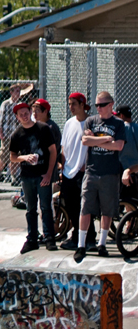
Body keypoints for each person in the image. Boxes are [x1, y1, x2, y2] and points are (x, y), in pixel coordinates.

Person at [74, 91, 127, 262]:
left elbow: (118, 146)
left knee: (107, 210)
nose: (99, 108)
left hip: (109, 172)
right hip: (92, 171)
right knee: (85, 208)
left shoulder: (118, 124)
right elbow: (85, 141)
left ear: (111, 105)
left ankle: (102, 243)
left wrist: (94, 138)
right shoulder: (91, 120)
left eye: (102, 105)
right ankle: (81, 245)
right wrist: (105, 140)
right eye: (97, 105)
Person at [10, 101, 58, 253]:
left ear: (30, 112)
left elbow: (53, 151)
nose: (24, 116)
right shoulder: (17, 134)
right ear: (17, 117)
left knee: (45, 206)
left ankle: (49, 237)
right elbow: (12, 157)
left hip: (42, 174)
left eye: (26, 113)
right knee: (30, 208)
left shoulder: (43, 129)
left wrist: (49, 173)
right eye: (21, 114)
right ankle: (32, 238)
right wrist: (24, 158)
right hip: (27, 176)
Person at [59, 93, 95, 251]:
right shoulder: (69, 123)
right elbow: (64, 146)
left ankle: (90, 238)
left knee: (85, 207)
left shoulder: (91, 123)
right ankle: (76, 236)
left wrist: (85, 165)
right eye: (69, 104)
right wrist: (63, 165)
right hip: (68, 172)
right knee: (71, 206)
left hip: (84, 172)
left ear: (82, 105)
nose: (71, 107)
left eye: (74, 104)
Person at [0, 84, 25, 183]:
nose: (18, 93)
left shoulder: (21, 105)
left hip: (17, 135)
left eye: (19, 91)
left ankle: (13, 177)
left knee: (15, 155)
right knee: (3, 155)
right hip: (7, 134)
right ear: (11, 92)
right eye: (16, 91)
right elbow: (0, 119)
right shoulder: (6, 104)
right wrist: (1, 133)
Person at [117, 105, 138, 203]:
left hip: (124, 170)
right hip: (136, 168)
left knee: (127, 201)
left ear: (121, 115)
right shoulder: (136, 127)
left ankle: (129, 218)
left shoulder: (122, 129)